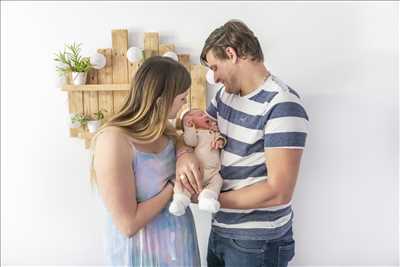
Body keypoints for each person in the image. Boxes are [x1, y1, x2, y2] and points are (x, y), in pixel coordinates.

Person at [181, 19, 310, 266]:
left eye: (215, 68)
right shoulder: (224, 96)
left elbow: (278, 192)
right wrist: (183, 155)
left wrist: (206, 198)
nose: (214, 79)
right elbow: (195, 133)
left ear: (232, 54)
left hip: (256, 243)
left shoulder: (282, 105)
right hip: (221, 231)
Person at [90, 56, 201, 266]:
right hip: (140, 255)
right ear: (161, 101)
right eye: (181, 98)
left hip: (180, 247)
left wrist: (184, 153)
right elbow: (128, 225)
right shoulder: (114, 140)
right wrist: (172, 186)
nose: (185, 103)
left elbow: (177, 140)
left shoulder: (165, 133)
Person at [169, 108, 226, 216]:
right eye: (200, 115)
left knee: (217, 181)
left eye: (204, 114)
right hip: (196, 171)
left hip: (213, 172)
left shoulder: (213, 132)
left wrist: (220, 141)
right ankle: (180, 201)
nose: (205, 116)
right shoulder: (195, 134)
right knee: (183, 183)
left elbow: (222, 138)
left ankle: (207, 198)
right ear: (191, 122)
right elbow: (190, 141)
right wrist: (189, 128)